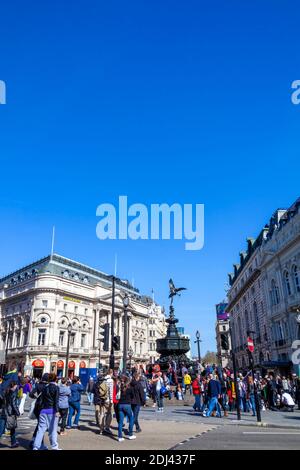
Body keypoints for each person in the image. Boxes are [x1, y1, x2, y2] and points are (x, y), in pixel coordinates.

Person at [33, 373, 61, 451]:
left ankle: (36, 446)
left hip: (43, 410)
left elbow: (41, 400)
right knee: (53, 430)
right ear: (56, 379)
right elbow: (56, 400)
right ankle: (54, 446)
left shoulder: (45, 387)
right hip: (52, 410)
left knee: (40, 430)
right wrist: (57, 411)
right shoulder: (56, 388)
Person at [29, 373, 49, 450]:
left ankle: (34, 440)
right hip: (44, 408)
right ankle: (40, 444)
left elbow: (30, 394)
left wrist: (36, 397)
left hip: (37, 407)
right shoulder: (48, 386)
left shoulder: (38, 385)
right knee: (42, 427)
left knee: (39, 425)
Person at [0, 381, 20, 448]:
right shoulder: (13, 393)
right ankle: (13, 443)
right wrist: (17, 412)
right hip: (10, 413)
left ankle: (14, 442)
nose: (16, 387)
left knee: (1, 428)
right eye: (16, 385)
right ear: (14, 386)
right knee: (12, 428)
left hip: (3, 412)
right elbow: (13, 404)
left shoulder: (5, 392)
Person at [117, 375, 136, 442]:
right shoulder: (130, 388)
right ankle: (130, 434)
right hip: (127, 404)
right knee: (131, 418)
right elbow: (133, 396)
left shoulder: (120, 387)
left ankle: (120, 437)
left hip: (120, 404)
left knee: (120, 421)